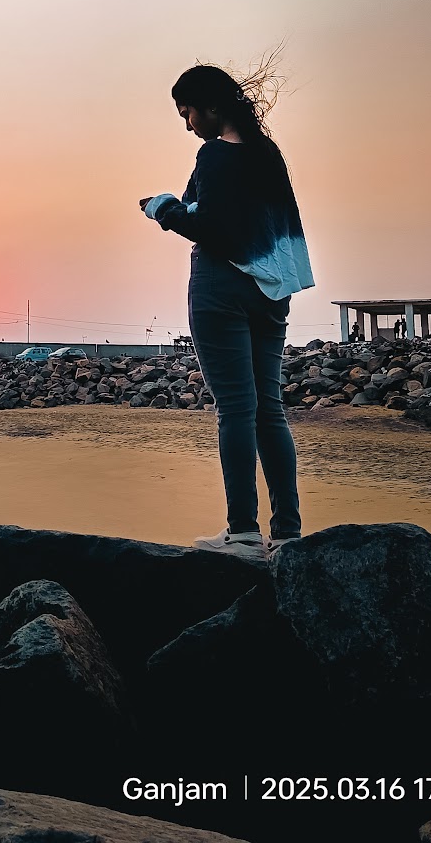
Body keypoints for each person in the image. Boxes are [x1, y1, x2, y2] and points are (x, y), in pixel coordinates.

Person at [139, 64, 314, 561]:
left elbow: (208, 226)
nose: (187, 123)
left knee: (236, 409)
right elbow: (272, 225)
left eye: (188, 111)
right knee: (269, 408)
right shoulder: (268, 154)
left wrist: (161, 209)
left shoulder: (214, 155)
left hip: (221, 287)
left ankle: (241, 533)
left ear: (211, 105)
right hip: (272, 291)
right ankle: (288, 531)